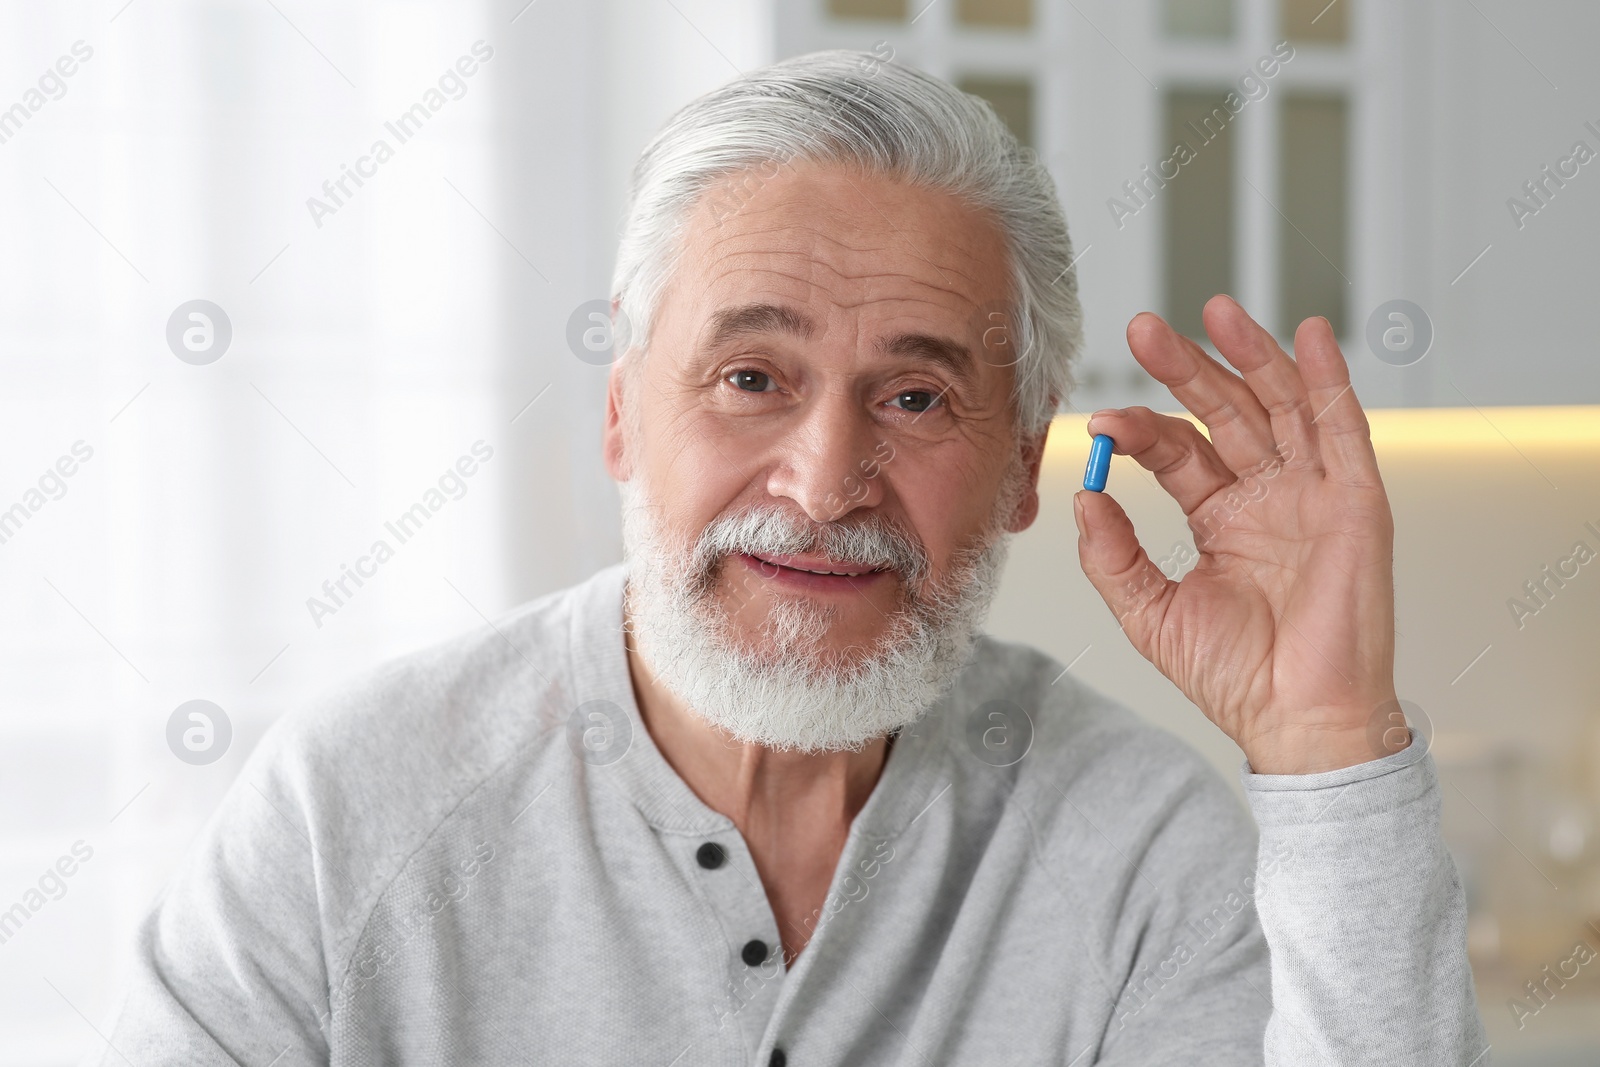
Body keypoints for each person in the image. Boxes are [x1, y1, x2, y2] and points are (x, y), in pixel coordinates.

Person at [98, 50, 1487, 1065]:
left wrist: (1327, 742)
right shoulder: (352, 816)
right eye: (753, 376)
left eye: (918, 397)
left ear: (1018, 469)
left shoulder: (1138, 852)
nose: (826, 485)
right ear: (622, 414)